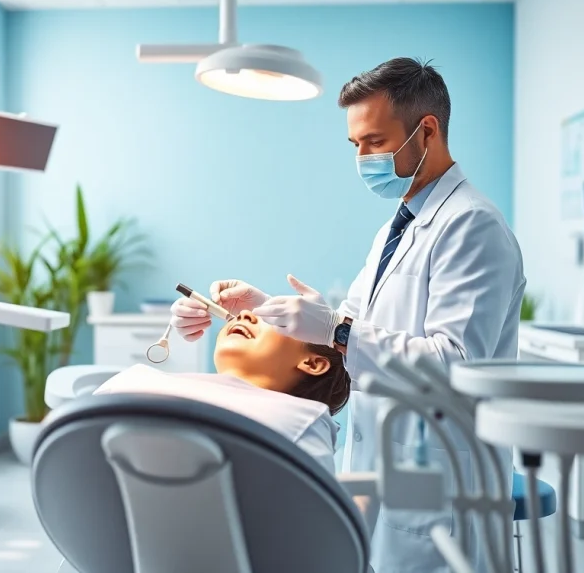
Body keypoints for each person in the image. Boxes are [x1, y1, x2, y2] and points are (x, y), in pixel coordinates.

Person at [169, 58, 525, 573]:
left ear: (426, 131)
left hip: (443, 483)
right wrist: (261, 307)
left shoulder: (472, 227)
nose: (362, 157)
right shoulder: (395, 230)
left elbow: (455, 364)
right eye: (355, 145)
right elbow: (350, 326)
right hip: (386, 468)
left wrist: (334, 328)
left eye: (375, 141)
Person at [94, 310, 351, 474]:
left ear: (313, 363)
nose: (246, 314)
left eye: (277, 320)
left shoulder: (302, 421)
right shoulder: (138, 381)